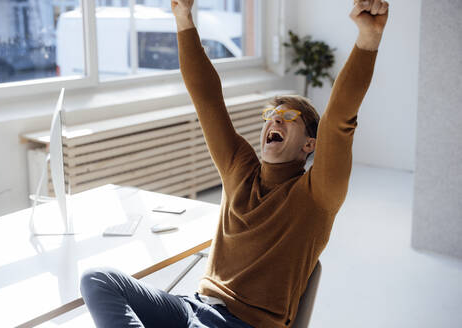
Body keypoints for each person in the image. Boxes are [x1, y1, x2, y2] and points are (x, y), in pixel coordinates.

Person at [80, 1, 389, 327]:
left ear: (310, 144)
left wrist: (368, 40)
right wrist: (183, 18)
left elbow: (339, 120)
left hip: (238, 324)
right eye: (270, 116)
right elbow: (206, 98)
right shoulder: (239, 168)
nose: (274, 121)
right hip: (192, 307)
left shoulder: (317, 196)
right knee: (97, 278)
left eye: (287, 117)